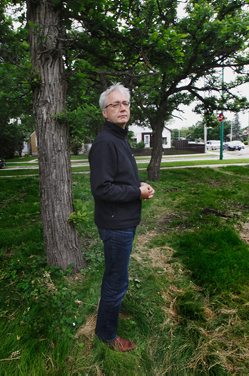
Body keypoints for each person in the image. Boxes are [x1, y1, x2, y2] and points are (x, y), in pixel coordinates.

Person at [89, 83, 155, 352]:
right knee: (116, 281)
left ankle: (107, 321)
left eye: (125, 103)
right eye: (114, 104)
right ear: (105, 112)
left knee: (117, 278)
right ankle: (106, 334)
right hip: (116, 225)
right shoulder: (105, 143)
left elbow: (120, 179)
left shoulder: (119, 138)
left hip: (124, 221)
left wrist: (139, 186)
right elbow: (101, 188)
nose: (122, 108)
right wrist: (135, 192)